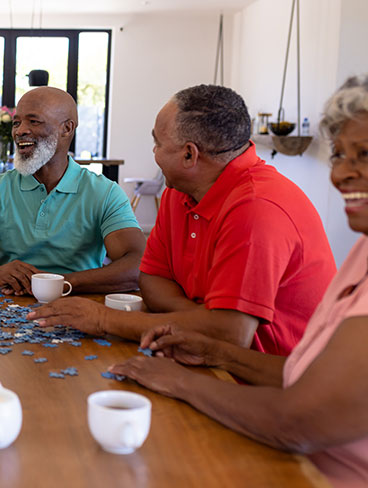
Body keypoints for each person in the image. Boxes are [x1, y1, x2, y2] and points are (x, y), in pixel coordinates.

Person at [110, 75, 368, 488]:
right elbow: (303, 372)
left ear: (190, 154)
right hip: (254, 407)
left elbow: (295, 422)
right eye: (339, 155)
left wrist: (182, 377)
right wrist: (214, 347)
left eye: (365, 154)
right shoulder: (363, 250)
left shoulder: (258, 206)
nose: (343, 174)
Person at [29, 84, 336, 356]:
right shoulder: (182, 190)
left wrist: (103, 319)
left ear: (190, 156)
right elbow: (151, 280)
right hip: (197, 353)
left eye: (158, 143)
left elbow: (231, 334)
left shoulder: (257, 208)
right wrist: (201, 319)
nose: (154, 153)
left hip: (270, 379)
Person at [0, 86, 145, 295]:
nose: (20, 130)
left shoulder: (105, 192)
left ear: (67, 128)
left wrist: (59, 283)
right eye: (17, 122)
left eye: (33, 121)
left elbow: (139, 265)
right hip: (7, 311)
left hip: (82, 308)